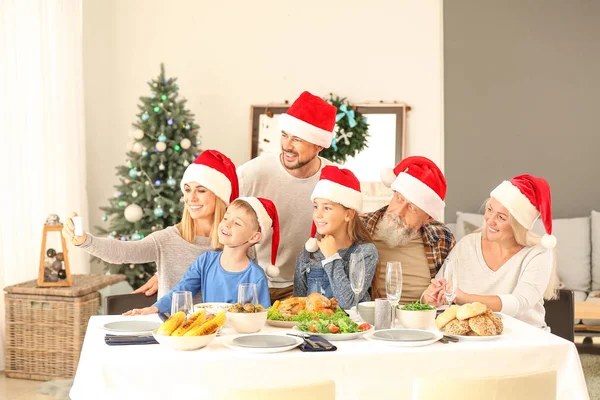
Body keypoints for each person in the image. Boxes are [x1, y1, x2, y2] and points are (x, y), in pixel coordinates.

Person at [62, 150, 239, 303]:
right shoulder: (168, 239)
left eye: (201, 190)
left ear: (219, 198)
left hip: (222, 333)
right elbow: (124, 251)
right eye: (187, 189)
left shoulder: (237, 242)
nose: (191, 198)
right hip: (173, 334)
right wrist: (85, 241)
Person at [422, 174, 560, 329]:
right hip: (475, 339)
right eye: (489, 209)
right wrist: (429, 298)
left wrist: (464, 298)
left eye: (501, 217)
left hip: (525, 339)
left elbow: (520, 303)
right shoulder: (468, 244)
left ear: (518, 225)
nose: (490, 220)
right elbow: (440, 289)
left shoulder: (538, 253)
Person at [238, 91, 337, 302]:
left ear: (319, 145)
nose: (287, 145)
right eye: (284, 135)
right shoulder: (251, 174)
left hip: (309, 287)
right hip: (252, 281)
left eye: (298, 139)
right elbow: (216, 224)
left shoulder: (334, 181)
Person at [124, 196, 279, 314]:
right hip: (208, 336)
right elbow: (183, 290)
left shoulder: (256, 276)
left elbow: (260, 316)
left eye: (237, 223)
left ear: (254, 237)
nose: (226, 224)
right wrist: (153, 309)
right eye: (226, 218)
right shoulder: (205, 261)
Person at [360, 156, 455, 304]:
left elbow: (451, 290)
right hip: (369, 321)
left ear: (428, 218)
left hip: (420, 322)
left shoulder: (442, 237)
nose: (399, 212)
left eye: (411, 207)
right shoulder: (360, 226)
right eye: (399, 199)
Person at [293, 166, 378, 309]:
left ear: (348, 214)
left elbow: (349, 303)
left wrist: (331, 257)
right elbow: (300, 305)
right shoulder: (308, 254)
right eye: (316, 206)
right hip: (315, 329)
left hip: (352, 329)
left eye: (327, 208)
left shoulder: (365, 253)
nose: (318, 214)